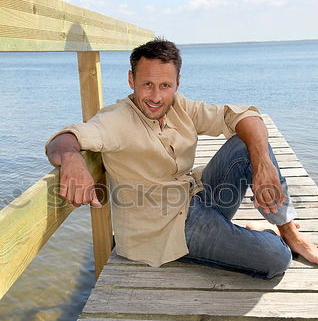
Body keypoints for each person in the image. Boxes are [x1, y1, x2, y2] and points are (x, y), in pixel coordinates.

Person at [45, 38, 318, 279]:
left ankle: (290, 233)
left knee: (249, 143)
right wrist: (71, 158)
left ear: (177, 83)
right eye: (147, 85)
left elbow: (244, 116)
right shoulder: (115, 120)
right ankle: (264, 237)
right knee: (276, 259)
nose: (155, 96)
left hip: (195, 197)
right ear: (131, 80)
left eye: (165, 85)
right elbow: (64, 140)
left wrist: (263, 165)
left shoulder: (180, 105)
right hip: (165, 230)